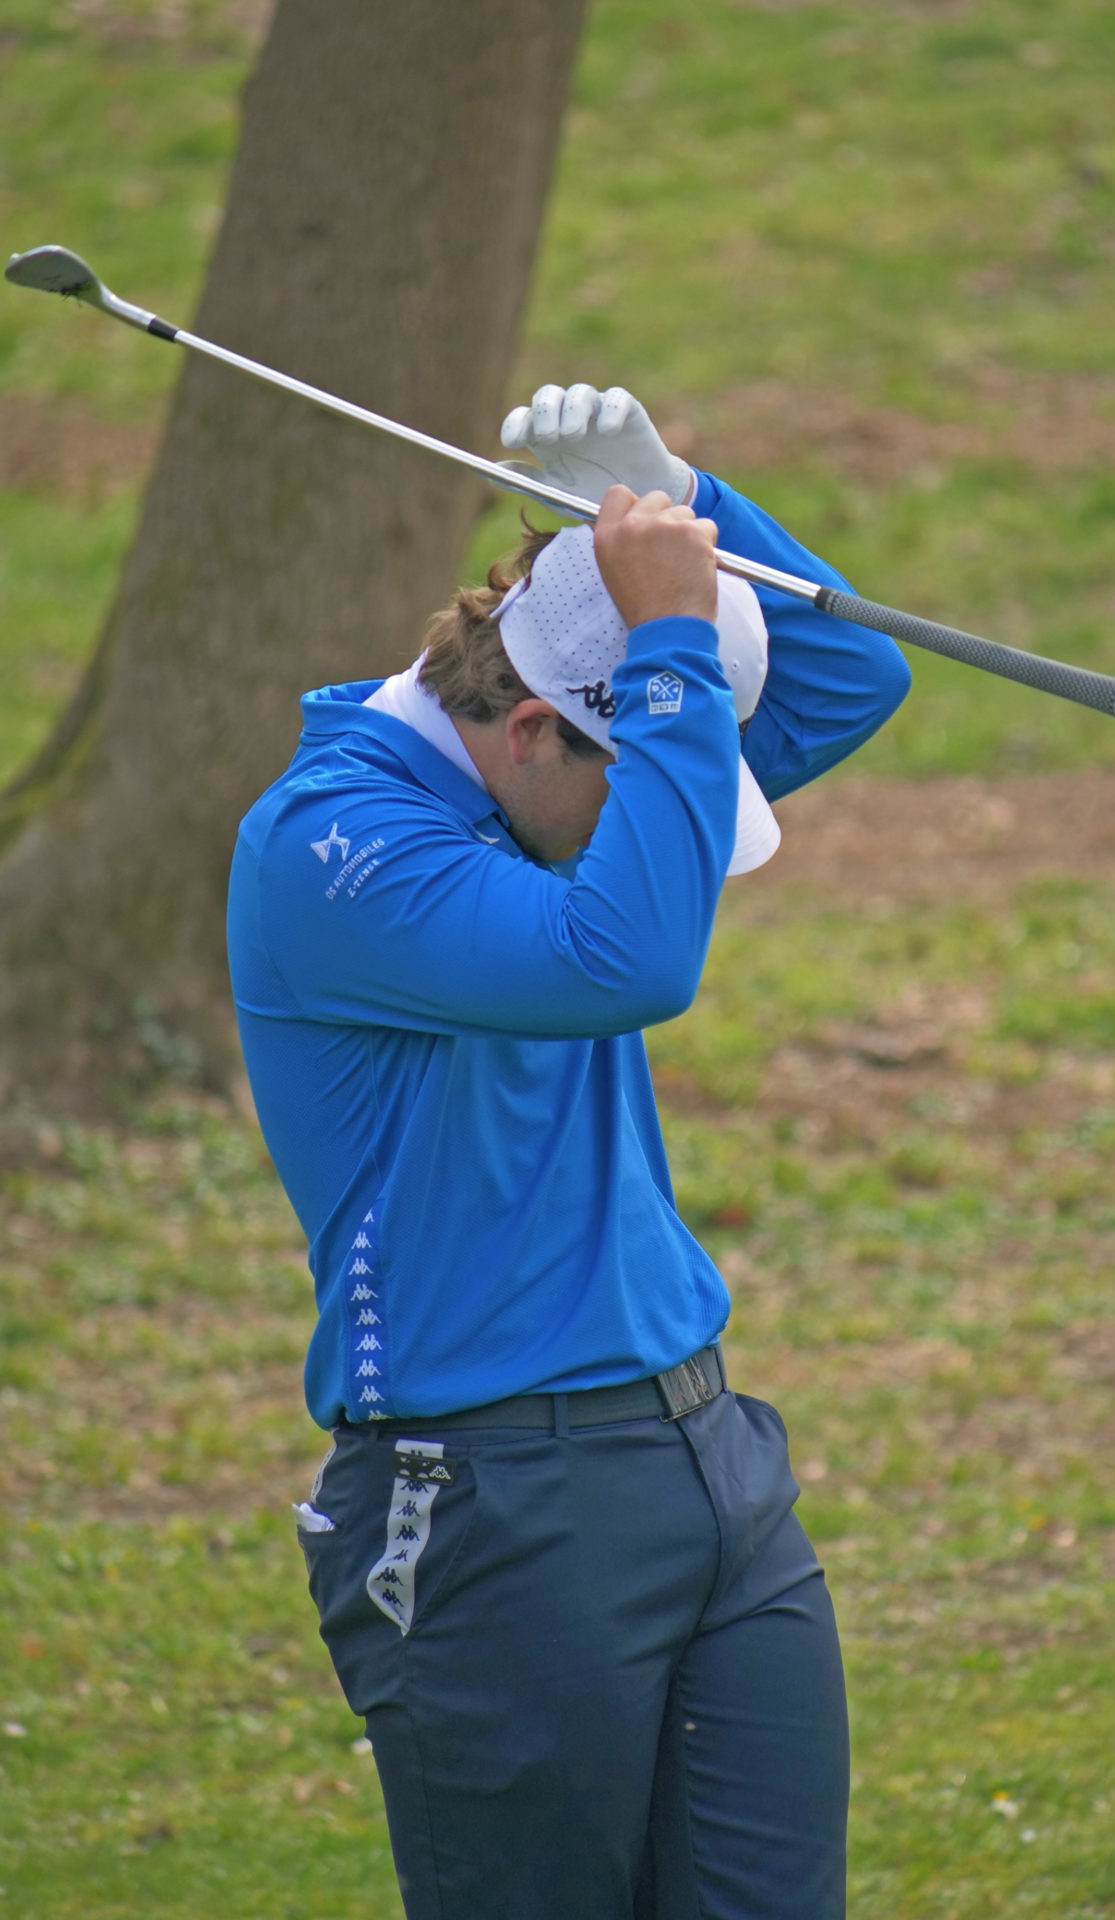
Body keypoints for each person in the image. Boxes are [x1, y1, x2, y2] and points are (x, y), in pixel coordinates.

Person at [227, 384, 910, 1920]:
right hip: (490, 1502)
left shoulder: (560, 785)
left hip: (710, 1460)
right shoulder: (331, 846)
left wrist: (690, 512)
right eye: (634, 785)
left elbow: (853, 674)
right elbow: (630, 959)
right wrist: (662, 636)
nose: (648, 836)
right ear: (531, 729)